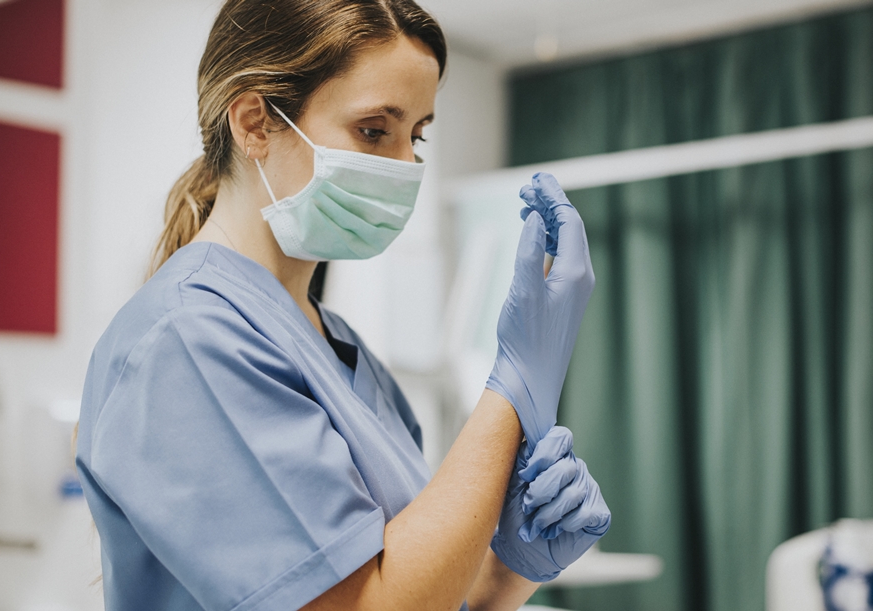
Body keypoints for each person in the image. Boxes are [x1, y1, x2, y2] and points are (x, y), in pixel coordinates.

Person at [73, 1, 609, 610]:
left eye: (417, 135)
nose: (407, 165)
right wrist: (514, 379)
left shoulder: (344, 354)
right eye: (374, 130)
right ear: (254, 123)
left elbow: (413, 596)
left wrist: (507, 571)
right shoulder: (187, 339)